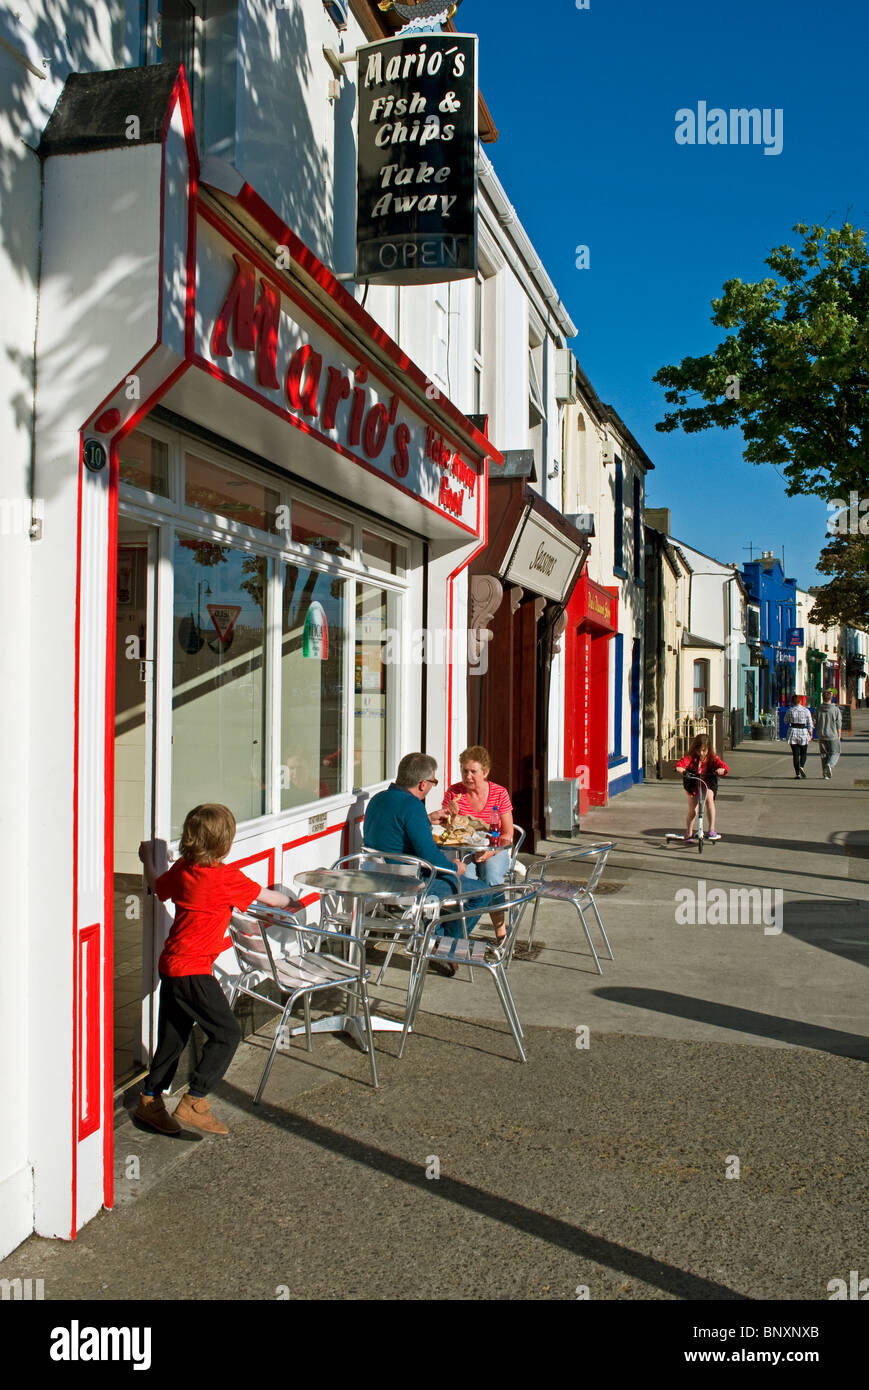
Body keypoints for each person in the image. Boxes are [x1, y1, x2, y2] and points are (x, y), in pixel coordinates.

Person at [135, 804, 291, 1137]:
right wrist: (289, 899)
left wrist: (147, 858)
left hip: (172, 964)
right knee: (227, 1033)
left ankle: (149, 1101)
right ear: (225, 842)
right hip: (192, 970)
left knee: (173, 1038)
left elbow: (157, 886)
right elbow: (272, 901)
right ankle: (195, 1101)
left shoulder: (182, 869)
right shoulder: (226, 878)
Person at [364, 752, 488, 976]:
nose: (432, 786)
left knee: (447, 887)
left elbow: (394, 830)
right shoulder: (412, 807)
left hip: (376, 881)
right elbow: (430, 855)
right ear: (422, 784)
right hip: (409, 885)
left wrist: (426, 819)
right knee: (482, 891)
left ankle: (437, 937)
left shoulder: (378, 799)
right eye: (433, 782)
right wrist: (455, 868)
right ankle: (443, 945)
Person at [434, 745, 514, 943]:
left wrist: (490, 852)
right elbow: (448, 830)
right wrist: (450, 815)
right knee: (466, 880)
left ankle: (500, 929)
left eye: (473, 772)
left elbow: (507, 833)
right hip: (464, 849)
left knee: (492, 874)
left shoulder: (499, 793)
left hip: (495, 847)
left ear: (485, 772)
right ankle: (460, 933)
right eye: (464, 771)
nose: (468, 776)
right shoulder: (454, 792)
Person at [675, 735, 729, 842]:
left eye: (704, 750)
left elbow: (723, 766)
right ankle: (689, 832)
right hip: (693, 783)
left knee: (709, 799)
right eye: (698, 750)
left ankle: (711, 829)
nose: (701, 753)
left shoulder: (713, 758)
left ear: (708, 749)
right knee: (693, 810)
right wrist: (681, 769)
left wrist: (721, 770)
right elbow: (680, 764)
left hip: (707, 782)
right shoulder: (690, 757)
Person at [784, 693, 814, 779]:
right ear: (800, 701)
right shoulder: (806, 710)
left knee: (795, 754)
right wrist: (810, 732)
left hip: (793, 731)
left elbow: (785, 721)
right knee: (804, 752)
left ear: (792, 702)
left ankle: (797, 773)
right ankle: (802, 766)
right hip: (803, 731)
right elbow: (810, 722)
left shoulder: (790, 710)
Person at [815, 689, 842, 779]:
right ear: (831, 698)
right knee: (835, 752)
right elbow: (838, 723)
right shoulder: (835, 709)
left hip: (821, 734)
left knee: (824, 754)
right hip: (832, 735)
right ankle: (829, 765)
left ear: (822, 698)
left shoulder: (818, 709)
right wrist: (839, 734)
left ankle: (825, 773)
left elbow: (814, 721)